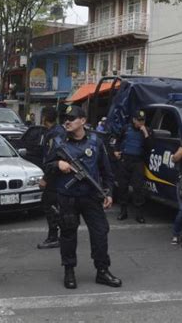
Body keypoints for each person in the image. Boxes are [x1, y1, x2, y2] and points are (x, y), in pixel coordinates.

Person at [45, 105, 121, 289]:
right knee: (69, 235)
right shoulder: (57, 142)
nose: (67, 121)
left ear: (83, 121)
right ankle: (69, 271)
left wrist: (108, 192)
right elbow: (46, 166)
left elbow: (106, 171)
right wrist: (58, 164)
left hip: (91, 196)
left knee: (100, 233)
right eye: (65, 118)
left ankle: (102, 271)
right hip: (68, 197)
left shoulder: (96, 142)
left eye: (72, 118)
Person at [113, 109, 153, 223]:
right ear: (134, 119)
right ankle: (123, 211)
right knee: (123, 187)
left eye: (143, 120)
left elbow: (150, 147)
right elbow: (117, 141)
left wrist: (145, 133)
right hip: (125, 160)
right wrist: (116, 151)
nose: (141, 123)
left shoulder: (147, 131)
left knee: (138, 188)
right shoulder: (126, 129)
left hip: (138, 162)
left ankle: (139, 214)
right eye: (139, 120)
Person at [37, 106, 66, 249]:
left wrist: (45, 178)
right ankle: (62, 234)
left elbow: (52, 157)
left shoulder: (55, 133)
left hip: (55, 176)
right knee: (55, 206)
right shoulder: (55, 131)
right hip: (56, 175)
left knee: (50, 205)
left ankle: (54, 236)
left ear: (44, 118)